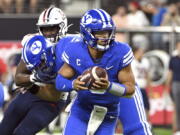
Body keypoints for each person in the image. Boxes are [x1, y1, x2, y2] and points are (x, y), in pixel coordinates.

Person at [55, 9, 136, 135]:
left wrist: (109, 86)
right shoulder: (75, 50)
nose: (105, 36)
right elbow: (59, 81)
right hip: (81, 110)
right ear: (87, 33)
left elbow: (130, 90)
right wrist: (72, 85)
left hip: (108, 113)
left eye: (108, 32)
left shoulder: (121, 51)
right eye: (100, 32)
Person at [0, 6, 68, 135]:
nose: (48, 33)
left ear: (61, 26)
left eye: (52, 28)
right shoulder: (34, 44)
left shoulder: (69, 47)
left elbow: (54, 94)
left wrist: (34, 82)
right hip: (29, 95)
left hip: (50, 102)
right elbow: (18, 78)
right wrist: (33, 78)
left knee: (22, 133)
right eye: (44, 29)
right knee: (3, 130)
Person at [165, 41, 180, 135]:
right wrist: (167, 86)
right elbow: (170, 73)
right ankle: (175, 129)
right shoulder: (173, 59)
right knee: (176, 107)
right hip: (175, 84)